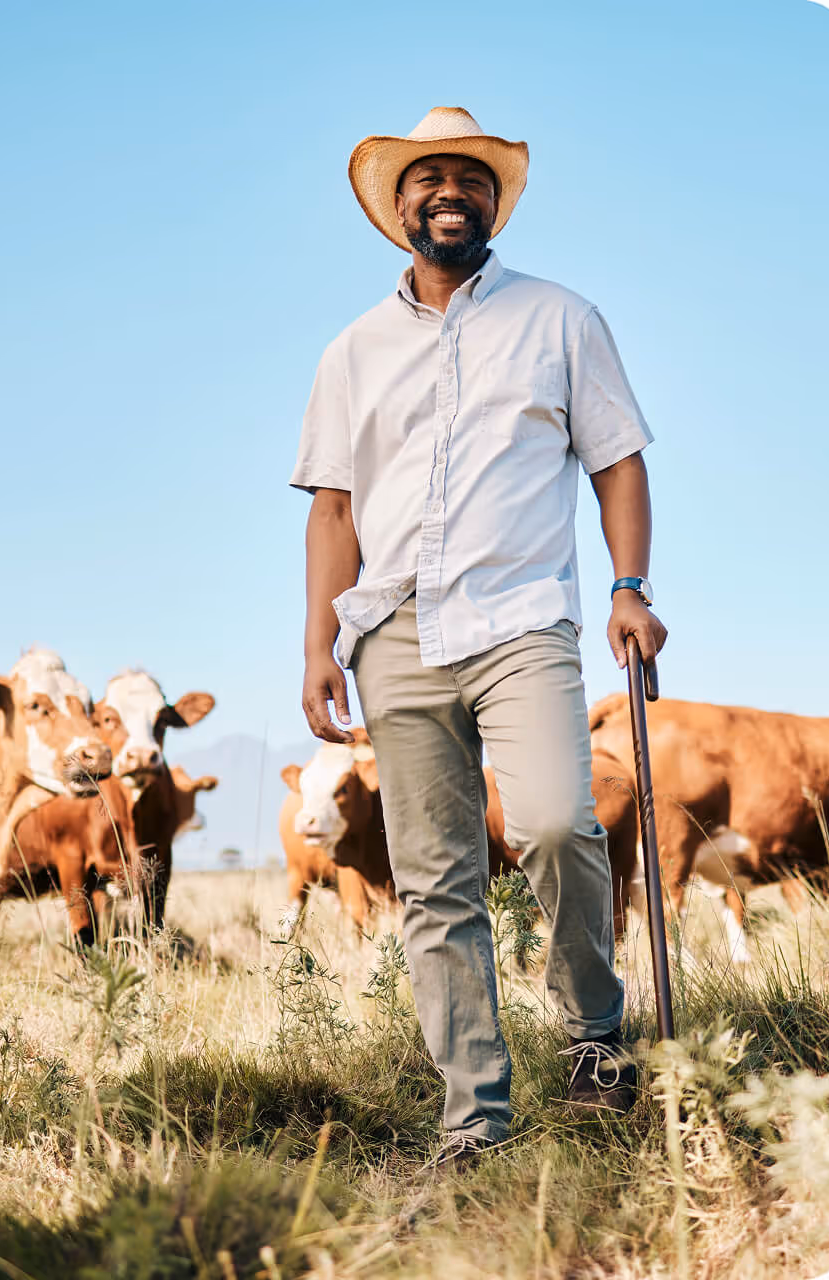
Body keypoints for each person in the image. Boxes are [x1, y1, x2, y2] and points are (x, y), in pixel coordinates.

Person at [290, 106, 668, 1166]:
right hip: (391, 634)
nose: (447, 191)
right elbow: (330, 508)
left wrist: (628, 585)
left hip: (520, 621)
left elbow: (617, 461)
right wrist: (319, 645)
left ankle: (594, 1030)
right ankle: (474, 1116)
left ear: (493, 201)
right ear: (396, 205)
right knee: (433, 881)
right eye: (426, 178)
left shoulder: (559, 318)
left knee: (554, 822)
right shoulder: (350, 350)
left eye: (468, 176)